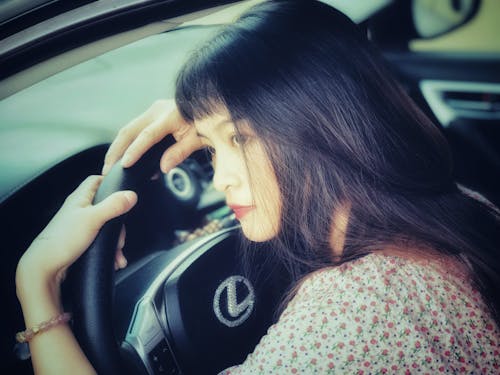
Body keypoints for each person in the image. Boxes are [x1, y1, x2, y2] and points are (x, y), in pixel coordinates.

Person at [15, 0, 500, 373]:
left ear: (321, 126)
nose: (221, 175)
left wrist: (37, 285)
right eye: (211, 148)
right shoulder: (459, 210)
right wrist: (217, 111)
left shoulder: (353, 317)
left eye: (240, 138)